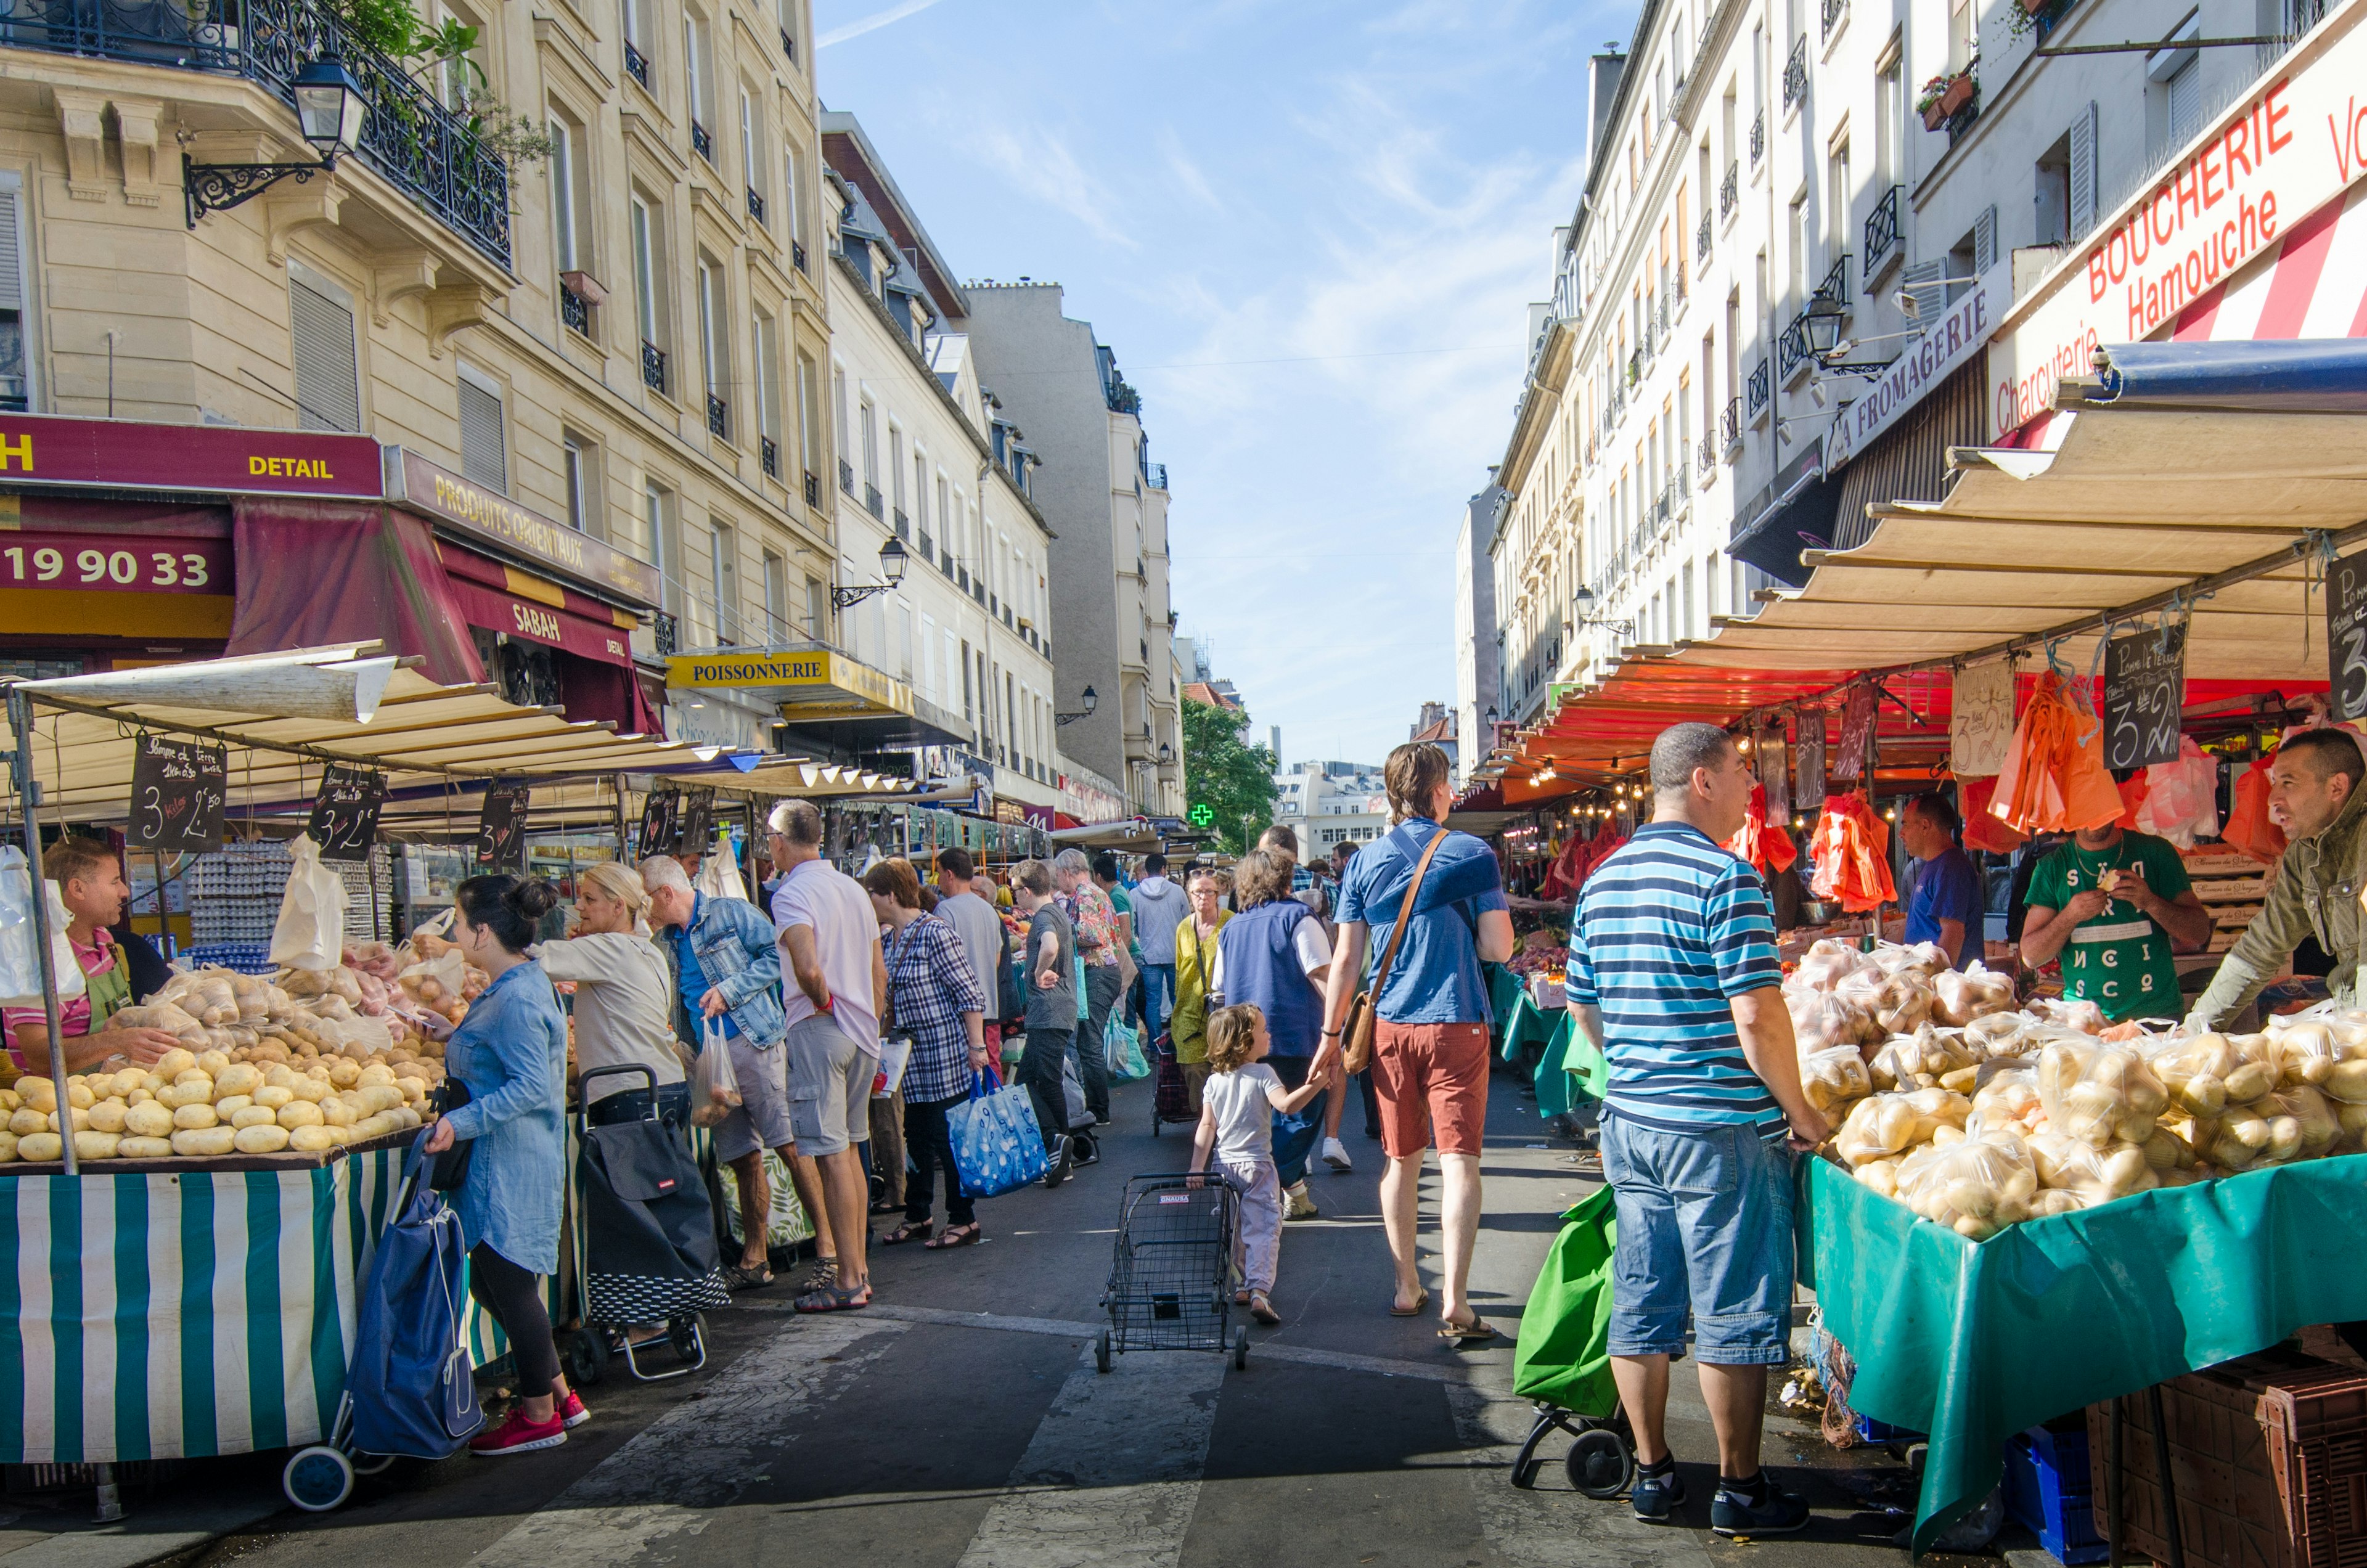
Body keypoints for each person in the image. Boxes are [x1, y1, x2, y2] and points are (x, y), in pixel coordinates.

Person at [1562, 724, 1827, 1535]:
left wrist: (1639, 1064)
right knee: (1735, 1310)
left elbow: (1581, 1004)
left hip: (1632, 1123)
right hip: (1719, 1132)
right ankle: (1741, 1488)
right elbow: (1757, 1017)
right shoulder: (1728, 877)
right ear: (1702, 780)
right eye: (1743, 773)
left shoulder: (1603, 882)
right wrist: (1804, 1114)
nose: (1752, 788)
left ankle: (1653, 1475)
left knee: (1642, 1301)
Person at [1320, 741, 1513, 1337]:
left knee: (1400, 1161)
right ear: (1436, 792)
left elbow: (1346, 959)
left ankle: (1408, 1287)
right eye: (1449, 785)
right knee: (1460, 1165)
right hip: (1457, 1021)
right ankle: (1456, 1301)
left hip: (1390, 1027)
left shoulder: (1362, 862)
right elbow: (1498, 948)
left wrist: (1330, 1037)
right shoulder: (1472, 853)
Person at [419, 875, 584, 1455]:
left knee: (511, 1287)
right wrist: (452, 1033)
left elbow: (532, 1087)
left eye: (461, 923)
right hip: (503, 1160)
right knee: (496, 1285)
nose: (457, 932)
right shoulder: (512, 985)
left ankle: (539, 1415)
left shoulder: (515, 994)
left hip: (506, 1164)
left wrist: (456, 1123)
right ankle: (558, 1393)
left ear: (483, 931)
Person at [644, 854, 827, 1293]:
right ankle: (755, 1257)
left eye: (645, 898)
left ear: (666, 893)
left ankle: (830, 1251)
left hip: (756, 1043)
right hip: (710, 1060)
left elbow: (777, 959)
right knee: (741, 1158)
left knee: (789, 1146)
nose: (642, 907)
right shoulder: (663, 941)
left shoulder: (730, 913)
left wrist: (730, 990)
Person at [767, 799, 889, 1313]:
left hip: (824, 1027)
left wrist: (825, 1006)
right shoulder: (851, 888)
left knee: (833, 1156)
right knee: (852, 1152)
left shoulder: (793, 894)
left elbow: (808, 968)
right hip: (860, 1030)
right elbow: (877, 969)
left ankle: (847, 1277)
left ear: (779, 840)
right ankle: (857, 1270)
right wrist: (870, 1024)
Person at [2191, 729, 2367, 1027]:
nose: (2274, 799)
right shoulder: (2303, 853)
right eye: (2275, 783)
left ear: (2337, 787)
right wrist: (2194, 1029)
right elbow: (2262, 946)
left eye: (2288, 783)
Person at [863, 858, 991, 1249]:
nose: (867, 901)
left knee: (948, 1138)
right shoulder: (889, 939)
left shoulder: (935, 932)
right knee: (916, 1136)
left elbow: (969, 993)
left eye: (871, 893)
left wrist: (977, 1046)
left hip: (945, 1054)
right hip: (909, 1060)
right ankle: (919, 1213)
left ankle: (963, 1218)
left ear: (888, 894)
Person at [1187, 1003, 1336, 1325]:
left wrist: (1197, 1167)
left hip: (1222, 1168)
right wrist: (1316, 1084)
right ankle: (1259, 1291)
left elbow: (1207, 1127)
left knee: (1234, 1227)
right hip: (1258, 1167)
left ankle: (1242, 1283)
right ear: (1244, 1041)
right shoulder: (1264, 1073)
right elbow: (1286, 1105)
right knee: (1264, 1227)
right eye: (1263, 1031)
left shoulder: (1214, 1082)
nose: (1269, 1035)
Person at [1212, 848, 1333, 1220]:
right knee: (1301, 1113)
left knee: (1261, 1119)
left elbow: (1218, 990)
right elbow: (1322, 975)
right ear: (1284, 880)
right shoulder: (1298, 917)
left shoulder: (1230, 928)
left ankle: (1292, 1193)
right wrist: (1339, 1028)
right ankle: (1257, 1184)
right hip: (1294, 1033)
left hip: (1242, 1039)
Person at [5, 837, 186, 1073]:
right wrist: (116, 1041)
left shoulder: (106, 941)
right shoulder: (40, 963)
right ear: (78, 888)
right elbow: (39, 1058)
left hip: (115, 1090)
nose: (124, 891)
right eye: (114, 882)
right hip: (59, 1101)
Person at [2019, 806, 2213, 1024]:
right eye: (2082, 806)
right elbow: (2031, 956)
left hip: (2156, 1018)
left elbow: (2199, 933)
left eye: (2098, 805)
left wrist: (2151, 902)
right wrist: (2070, 915)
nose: (2092, 817)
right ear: (2067, 812)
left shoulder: (2156, 852)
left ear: (2114, 805)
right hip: (2083, 1020)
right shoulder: (2052, 867)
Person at [531, 862, 688, 1129]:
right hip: (666, 1085)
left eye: (589, 899)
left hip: (628, 1093)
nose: (579, 907)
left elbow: (533, 960)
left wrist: (455, 947)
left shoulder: (608, 948)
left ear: (618, 907)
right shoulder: (647, 950)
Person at [1010, 858, 1078, 1186]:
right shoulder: (1056, 911)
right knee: (1035, 1081)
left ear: (1026, 891)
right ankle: (1059, 1147)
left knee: (1036, 1083)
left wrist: (1037, 973)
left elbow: (1050, 946)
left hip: (1049, 1012)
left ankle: (1057, 1143)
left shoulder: (1044, 916)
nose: (1013, 900)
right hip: (1055, 1012)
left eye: (1014, 893)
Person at [1318, 841, 1383, 1146]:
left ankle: (1376, 1121)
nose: (1333, 864)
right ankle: (1382, 1121)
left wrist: (1330, 1030)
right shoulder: (1383, 889)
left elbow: (1345, 955)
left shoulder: (1353, 891)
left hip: (1362, 984)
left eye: (1335, 859)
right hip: (1381, 981)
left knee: (1365, 1051)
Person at [1053, 847, 1121, 1128]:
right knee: (1088, 1040)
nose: (1058, 882)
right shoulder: (1092, 892)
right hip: (1103, 972)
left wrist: (1062, 930)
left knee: (1089, 1042)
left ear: (1067, 873)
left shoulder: (1085, 895)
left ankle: (1099, 1110)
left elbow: (1092, 935)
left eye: (1059, 876)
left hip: (1099, 972)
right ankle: (1097, 1106)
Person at [934, 848, 1009, 1060]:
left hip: (959, 1008)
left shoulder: (945, 910)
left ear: (949, 874)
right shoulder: (989, 910)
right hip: (987, 1006)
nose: (939, 881)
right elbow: (996, 959)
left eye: (939, 874)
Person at [1897, 791, 1985, 969]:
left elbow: (1953, 933)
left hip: (1947, 988)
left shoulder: (1951, 867)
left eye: (1905, 824)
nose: (1901, 834)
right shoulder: (1935, 865)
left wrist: (1937, 980)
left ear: (1925, 826)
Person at [1168, 867, 1230, 1113]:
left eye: (1208, 892)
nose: (1203, 897)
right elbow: (1179, 972)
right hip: (1189, 1014)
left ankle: (1224, 1126)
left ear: (1219, 893)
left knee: (1224, 1070)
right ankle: (1206, 1123)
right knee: (1194, 1071)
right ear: (1189, 895)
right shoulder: (1184, 928)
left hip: (1224, 1013)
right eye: (1197, 893)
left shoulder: (1231, 923)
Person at [1130, 853, 1190, 1042]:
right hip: (1175, 955)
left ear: (1146, 871)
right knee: (1177, 1001)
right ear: (1164, 869)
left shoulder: (1135, 894)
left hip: (1149, 956)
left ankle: (1155, 1045)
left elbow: (1132, 927)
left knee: (1153, 1003)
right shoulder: (1177, 891)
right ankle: (1179, 1042)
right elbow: (1187, 922)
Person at [1092, 852, 1144, 1031]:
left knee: (1127, 1015)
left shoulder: (1116, 896)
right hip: (1129, 958)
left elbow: (1126, 934)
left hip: (1129, 957)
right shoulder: (1118, 892)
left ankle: (1130, 1055)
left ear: (1098, 877)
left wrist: (1119, 964)